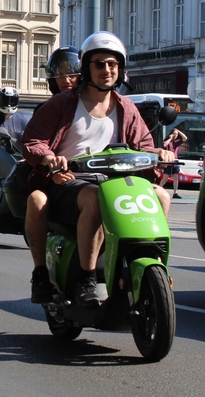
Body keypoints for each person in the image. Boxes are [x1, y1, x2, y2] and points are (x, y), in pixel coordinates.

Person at [22, 31, 174, 307]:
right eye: (99, 64)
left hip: (118, 181)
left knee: (162, 196)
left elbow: (145, 146)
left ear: (121, 69)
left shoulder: (126, 107)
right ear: (86, 68)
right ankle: (86, 279)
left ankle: (155, 264)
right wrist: (50, 159)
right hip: (69, 181)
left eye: (112, 65)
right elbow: (32, 141)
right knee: (94, 197)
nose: (107, 70)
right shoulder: (63, 103)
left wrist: (159, 154)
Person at [25, 46, 81, 303]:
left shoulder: (111, 103)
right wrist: (51, 166)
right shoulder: (47, 108)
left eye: (74, 73)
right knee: (37, 200)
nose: (68, 79)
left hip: (97, 179)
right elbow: (34, 144)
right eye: (61, 74)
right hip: (56, 179)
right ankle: (40, 273)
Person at [0, 87, 28, 215]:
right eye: (5, 100)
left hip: (16, 154)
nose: (8, 103)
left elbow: (30, 132)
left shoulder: (21, 119)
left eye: (11, 100)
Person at [159, 128, 187, 199]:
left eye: (176, 134)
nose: (175, 135)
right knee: (165, 177)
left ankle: (175, 192)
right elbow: (164, 145)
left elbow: (185, 138)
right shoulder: (167, 141)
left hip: (175, 160)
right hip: (168, 160)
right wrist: (170, 138)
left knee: (176, 177)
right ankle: (159, 188)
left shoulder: (177, 142)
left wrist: (179, 131)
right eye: (174, 134)